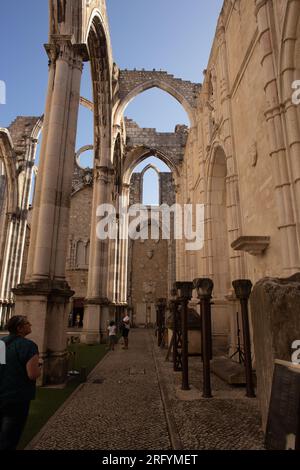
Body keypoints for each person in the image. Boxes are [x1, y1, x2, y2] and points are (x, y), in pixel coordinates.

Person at [0, 315, 41, 450]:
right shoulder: (29, 346)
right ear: (20, 328)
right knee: (10, 437)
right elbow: (32, 374)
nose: (30, 325)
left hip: (2, 392)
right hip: (17, 397)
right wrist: (39, 367)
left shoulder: (1, 343)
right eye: (27, 323)